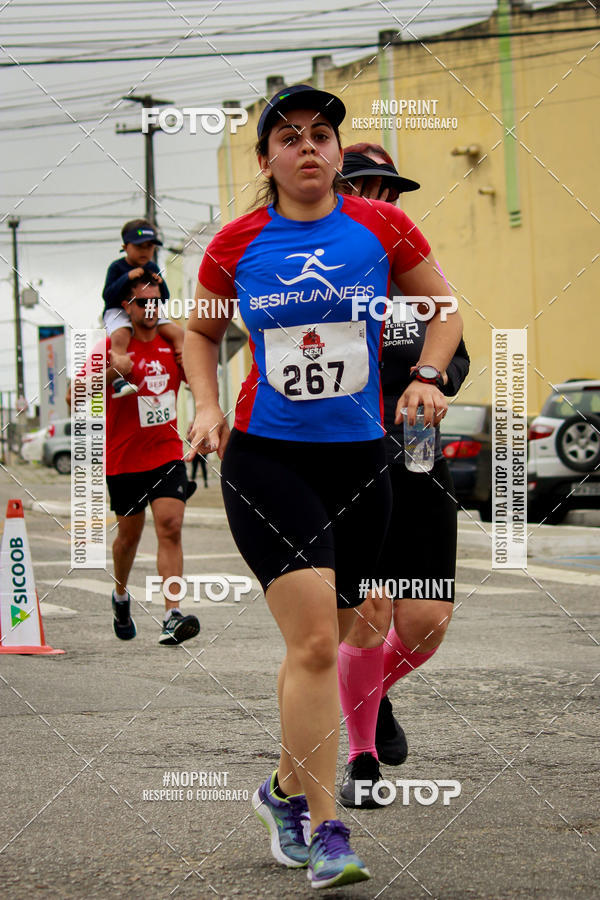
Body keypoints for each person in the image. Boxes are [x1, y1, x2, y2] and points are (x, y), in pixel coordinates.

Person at [183, 85, 463, 889]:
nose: (308, 147)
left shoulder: (383, 226)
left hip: (362, 460)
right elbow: (201, 331)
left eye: (322, 136)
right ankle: (326, 830)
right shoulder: (235, 245)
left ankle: (280, 792)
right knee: (311, 642)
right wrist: (207, 404)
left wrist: (431, 375)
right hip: (268, 459)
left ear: (339, 154)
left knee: (345, 633)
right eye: (290, 137)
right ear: (267, 159)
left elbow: (443, 309)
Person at [336, 143, 469, 808]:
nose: (379, 200)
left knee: (427, 619)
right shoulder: (321, 269)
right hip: (347, 464)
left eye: (388, 191)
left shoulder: (421, 272)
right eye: (363, 187)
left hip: (418, 459)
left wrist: (434, 379)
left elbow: (459, 353)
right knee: (369, 612)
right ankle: (361, 759)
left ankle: (372, 692)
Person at [79, 274, 200, 646]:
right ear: (126, 308)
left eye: (155, 301)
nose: (149, 308)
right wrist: (113, 372)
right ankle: (120, 595)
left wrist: (205, 410)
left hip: (165, 453)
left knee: (170, 524)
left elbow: (200, 379)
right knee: (128, 539)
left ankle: (171, 614)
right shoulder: (111, 350)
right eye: (141, 302)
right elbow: (76, 396)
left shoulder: (172, 345)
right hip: (124, 459)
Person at [102, 219, 184, 397]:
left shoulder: (152, 267)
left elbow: (164, 297)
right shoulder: (117, 267)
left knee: (177, 333)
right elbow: (107, 296)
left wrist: (161, 284)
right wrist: (127, 277)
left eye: (150, 247)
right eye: (139, 247)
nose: (145, 251)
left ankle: (187, 366)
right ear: (125, 247)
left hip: (147, 310)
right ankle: (119, 379)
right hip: (118, 311)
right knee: (121, 334)